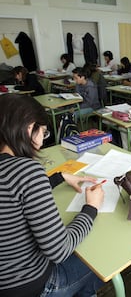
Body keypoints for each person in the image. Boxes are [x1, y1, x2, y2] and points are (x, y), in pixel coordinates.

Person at [0, 93, 104, 297]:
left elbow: (12, 192)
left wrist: (58, 177)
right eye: (44, 133)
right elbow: (60, 250)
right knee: (103, 262)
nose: (41, 142)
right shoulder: (27, 170)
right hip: (30, 286)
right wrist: (91, 208)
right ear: (30, 127)